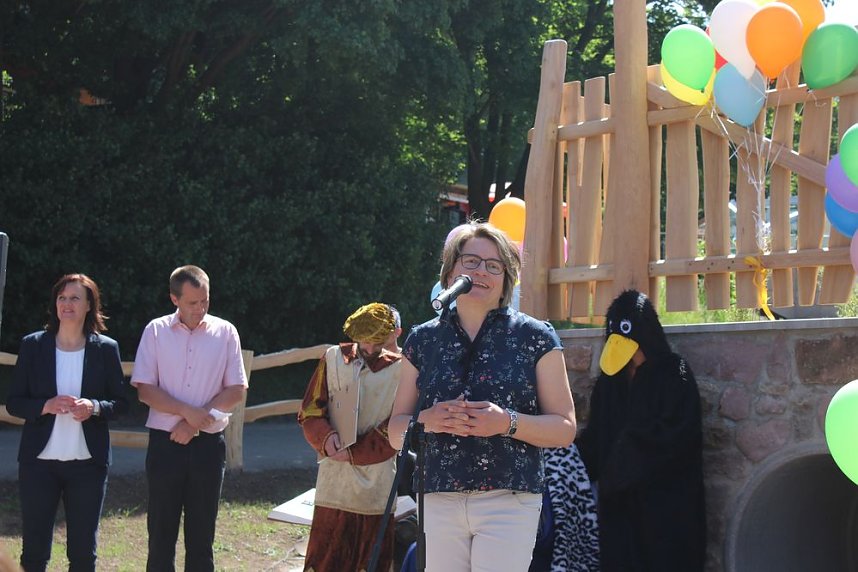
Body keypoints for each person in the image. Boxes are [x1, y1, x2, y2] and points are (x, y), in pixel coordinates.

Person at [388, 222, 577, 572]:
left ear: (507, 279)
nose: (481, 272)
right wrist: (426, 421)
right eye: (471, 261)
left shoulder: (536, 337)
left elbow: (564, 428)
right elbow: (395, 430)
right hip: (437, 497)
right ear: (450, 271)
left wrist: (507, 422)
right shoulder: (423, 340)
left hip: (509, 500)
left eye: (494, 265)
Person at [576, 289, 706, 571]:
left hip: (667, 504)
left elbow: (676, 435)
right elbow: (596, 436)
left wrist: (624, 462)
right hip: (620, 509)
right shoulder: (609, 382)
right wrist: (570, 461)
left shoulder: (675, 373)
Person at [6, 273, 129, 572]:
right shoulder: (33, 345)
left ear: (89, 305)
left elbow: (122, 404)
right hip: (39, 465)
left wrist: (95, 407)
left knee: (83, 552)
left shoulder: (105, 348)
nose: (67, 303)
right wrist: (45, 405)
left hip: (88, 465)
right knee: (34, 551)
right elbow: (14, 402)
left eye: (75, 298)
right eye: (62, 298)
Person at [131, 265, 248, 572]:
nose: (200, 309)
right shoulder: (155, 331)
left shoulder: (225, 332)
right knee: (160, 534)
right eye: (192, 302)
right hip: (165, 445)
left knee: (201, 537)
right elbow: (145, 390)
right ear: (174, 299)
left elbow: (236, 390)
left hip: (208, 446)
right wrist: (187, 412)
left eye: (205, 301)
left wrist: (193, 424)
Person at [298, 302, 403, 572]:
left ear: (392, 335)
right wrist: (326, 437)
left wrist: (356, 452)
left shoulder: (403, 370)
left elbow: (399, 425)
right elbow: (310, 410)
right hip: (333, 484)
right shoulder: (333, 358)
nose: (369, 349)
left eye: (377, 341)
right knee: (325, 562)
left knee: (370, 562)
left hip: (376, 486)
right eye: (364, 341)